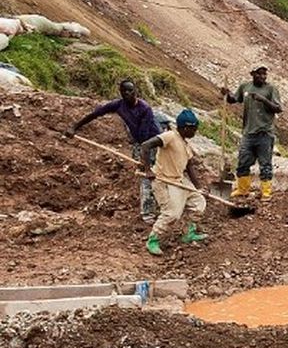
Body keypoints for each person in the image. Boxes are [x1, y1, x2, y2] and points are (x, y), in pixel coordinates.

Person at [67, 78, 164, 221]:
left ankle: (159, 208)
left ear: (136, 91)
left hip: (155, 142)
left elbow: (145, 138)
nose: (127, 93)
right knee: (146, 177)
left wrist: (145, 161)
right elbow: (95, 114)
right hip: (139, 143)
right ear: (120, 92)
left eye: (130, 90)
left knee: (156, 174)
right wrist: (74, 127)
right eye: (124, 91)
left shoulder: (145, 108)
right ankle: (148, 213)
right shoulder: (118, 105)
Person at [137, 109, 207, 256]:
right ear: (185, 128)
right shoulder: (170, 136)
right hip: (164, 180)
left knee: (198, 202)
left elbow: (189, 167)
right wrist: (148, 169)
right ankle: (153, 240)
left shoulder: (185, 144)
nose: (195, 132)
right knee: (172, 213)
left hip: (179, 179)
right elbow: (146, 146)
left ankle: (189, 233)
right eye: (194, 129)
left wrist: (199, 187)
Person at [222, 66, 284, 201]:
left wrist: (263, 100)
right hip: (248, 133)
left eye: (264, 74)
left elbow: (278, 109)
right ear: (253, 74)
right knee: (243, 162)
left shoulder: (271, 89)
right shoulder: (245, 87)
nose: (262, 76)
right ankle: (242, 190)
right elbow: (234, 100)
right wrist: (227, 94)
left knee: (265, 164)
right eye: (259, 74)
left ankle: (266, 192)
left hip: (265, 133)